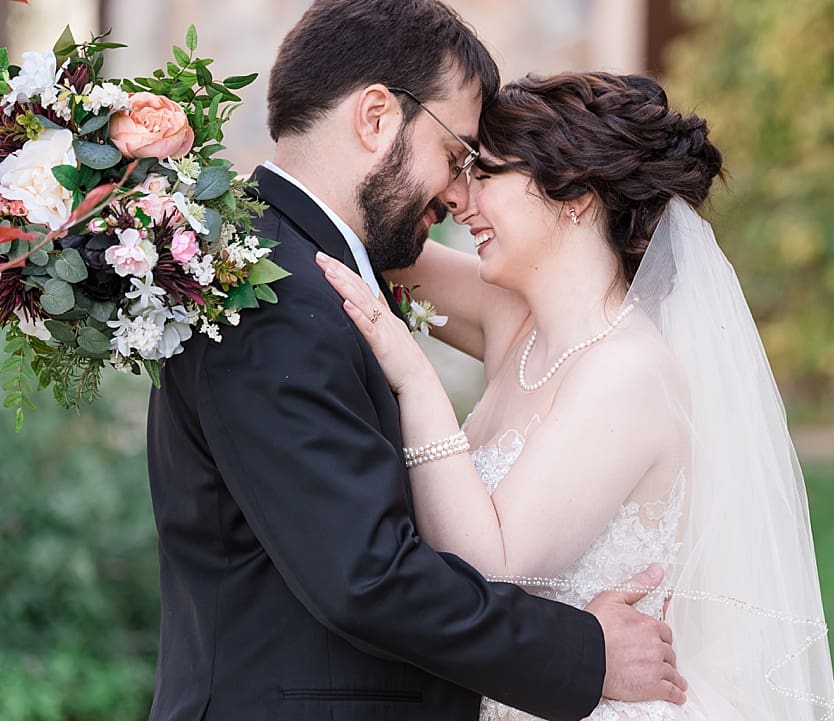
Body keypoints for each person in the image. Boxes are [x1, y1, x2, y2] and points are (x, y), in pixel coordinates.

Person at [145, 3, 687, 720]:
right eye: (459, 153)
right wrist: (584, 654)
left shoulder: (295, 263)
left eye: (480, 168)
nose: (458, 193)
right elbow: (366, 577)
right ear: (375, 118)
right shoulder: (273, 293)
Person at [318, 71, 834, 720]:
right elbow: (352, 234)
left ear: (576, 198)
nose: (459, 197)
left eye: (486, 173)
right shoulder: (513, 313)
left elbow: (490, 564)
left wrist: (416, 380)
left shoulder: (628, 373)